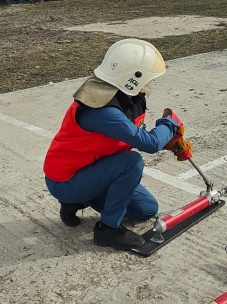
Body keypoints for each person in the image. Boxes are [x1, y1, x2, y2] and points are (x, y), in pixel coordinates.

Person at [43, 38, 192, 250]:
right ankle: (108, 230)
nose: (149, 85)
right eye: (147, 80)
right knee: (131, 162)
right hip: (66, 179)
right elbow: (148, 143)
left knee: (146, 210)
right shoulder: (103, 110)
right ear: (132, 78)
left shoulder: (123, 96)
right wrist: (170, 123)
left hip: (91, 168)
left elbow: (134, 134)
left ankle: (79, 200)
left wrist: (166, 139)